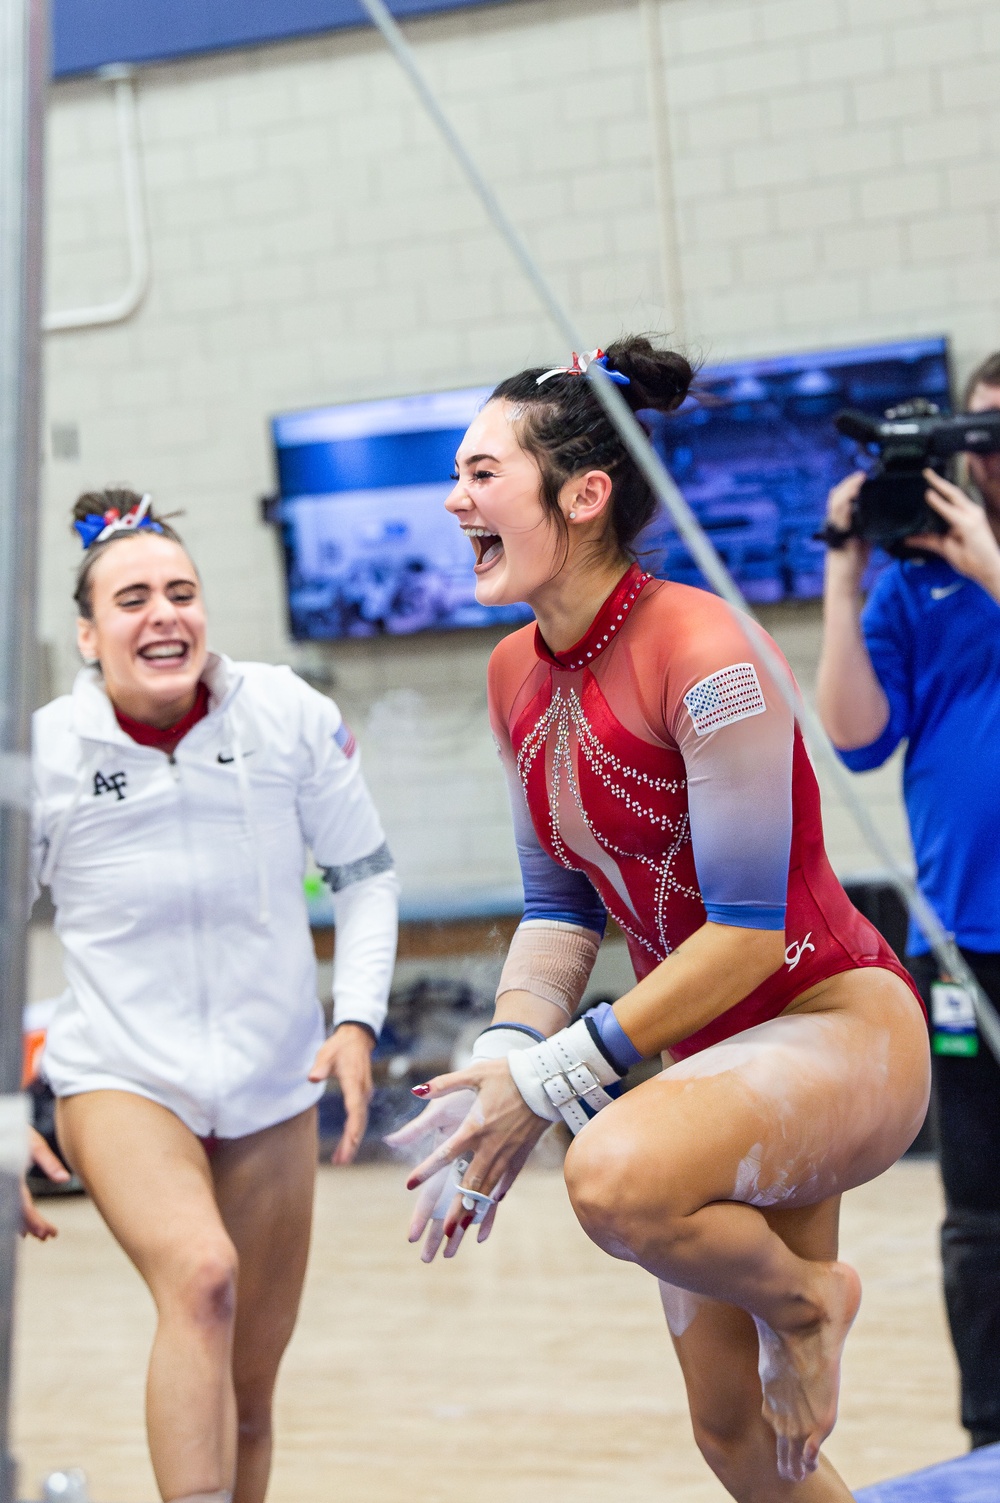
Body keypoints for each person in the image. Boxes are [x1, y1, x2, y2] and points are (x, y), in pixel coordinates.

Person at [388, 338, 930, 1503]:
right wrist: (503, 1055)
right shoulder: (509, 675)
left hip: (836, 1024)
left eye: (482, 474)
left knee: (614, 1175)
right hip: (719, 1060)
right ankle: (797, 1312)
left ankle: (809, 1299)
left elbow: (741, 932)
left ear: (582, 496)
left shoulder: (704, 650)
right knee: (739, 1437)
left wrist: (556, 1082)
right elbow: (557, 906)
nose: (454, 500)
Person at [25, 490, 398, 1503]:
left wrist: (357, 1017)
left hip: (274, 1080)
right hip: (120, 1076)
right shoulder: (47, 755)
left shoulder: (286, 717)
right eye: (134, 597)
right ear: (89, 633)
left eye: (182, 593)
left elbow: (365, 876)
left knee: (249, 1393)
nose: (164, 615)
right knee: (201, 1277)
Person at [816, 353, 1000, 1452]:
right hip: (965, 942)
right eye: (972, 433)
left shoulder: (975, 564)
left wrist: (990, 565)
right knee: (979, 1216)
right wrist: (844, 579)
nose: (982, 453)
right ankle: (991, 1438)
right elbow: (851, 732)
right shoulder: (909, 583)